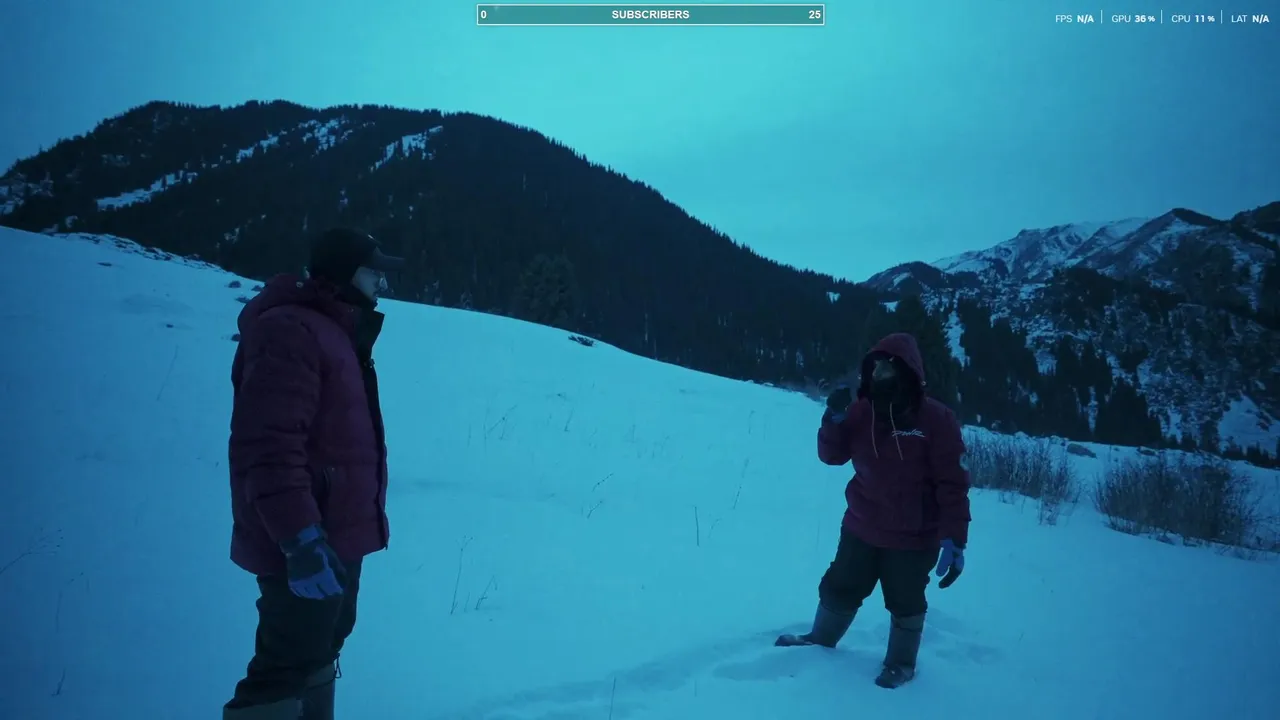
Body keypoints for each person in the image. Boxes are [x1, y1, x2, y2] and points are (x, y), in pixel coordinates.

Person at [223, 227, 403, 719]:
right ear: (345, 273)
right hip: (305, 538)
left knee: (321, 647)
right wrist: (300, 540)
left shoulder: (337, 332)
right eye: (373, 272)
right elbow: (270, 447)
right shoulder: (290, 331)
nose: (381, 283)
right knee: (283, 668)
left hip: (337, 534)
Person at [775, 332, 971, 690]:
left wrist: (955, 538)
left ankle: (901, 664)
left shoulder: (937, 420)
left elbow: (953, 484)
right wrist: (833, 420)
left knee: (906, 600)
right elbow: (832, 456)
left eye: (887, 368)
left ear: (908, 371)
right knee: (839, 586)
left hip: (914, 537)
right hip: (861, 525)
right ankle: (820, 640)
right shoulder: (861, 411)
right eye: (874, 368)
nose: (879, 375)